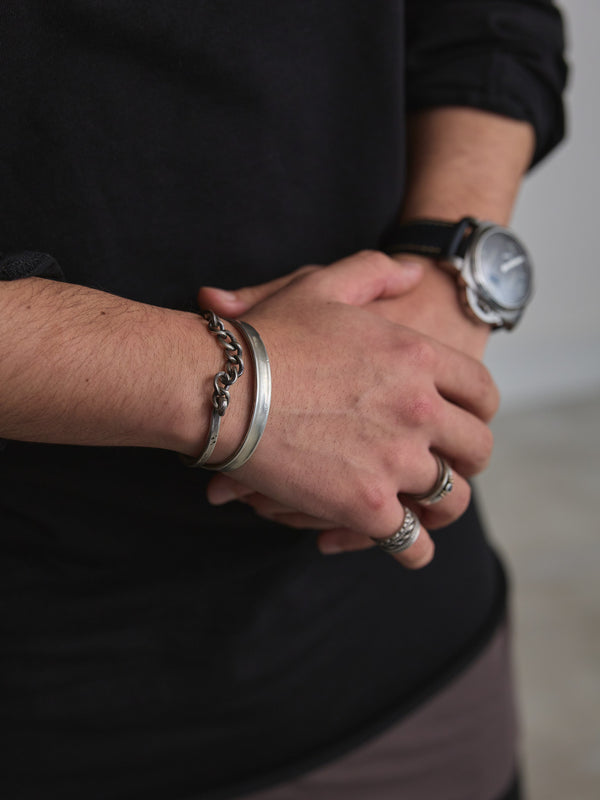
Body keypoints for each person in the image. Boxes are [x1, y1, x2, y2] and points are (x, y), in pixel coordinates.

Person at [0, 2, 566, 798]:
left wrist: (445, 281)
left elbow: (491, 21)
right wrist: (250, 390)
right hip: (45, 697)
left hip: (391, 607)